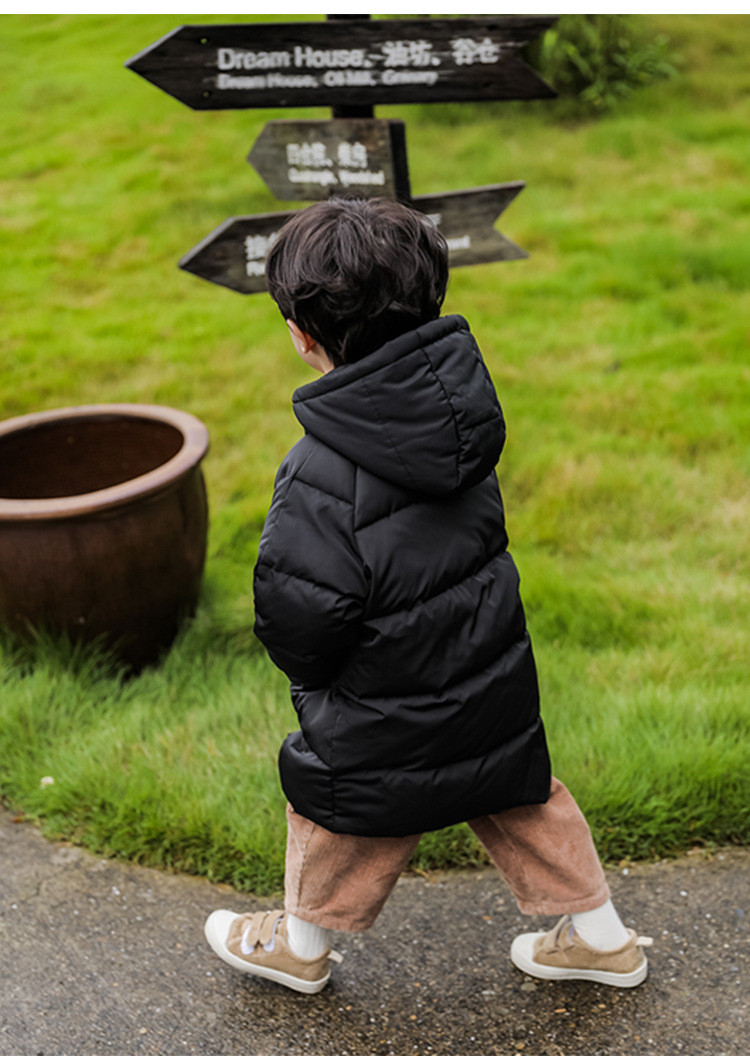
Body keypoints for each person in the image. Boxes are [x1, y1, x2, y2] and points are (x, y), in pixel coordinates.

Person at [204, 197, 652, 995]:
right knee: (525, 797)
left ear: (303, 339)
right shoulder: (464, 415)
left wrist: (311, 672)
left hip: (380, 705)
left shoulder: (317, 471)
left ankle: (299, 946)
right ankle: (605, 939)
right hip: (488, 680)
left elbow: (300, 615)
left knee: (337, 807)